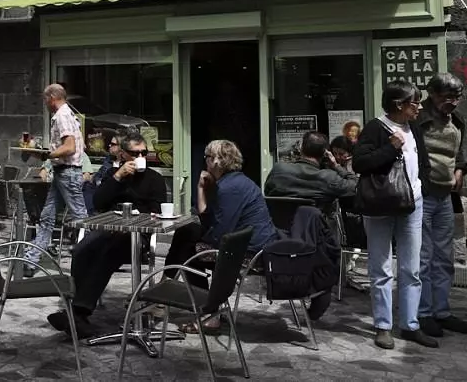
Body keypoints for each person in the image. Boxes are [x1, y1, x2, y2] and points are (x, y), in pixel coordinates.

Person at [45, 133, 165, 336]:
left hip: (136, 236)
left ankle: (78, 311)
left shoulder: (155, 179)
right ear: (123, 154)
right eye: (135, 153)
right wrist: (118, 177)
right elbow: (98, 202)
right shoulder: (113, 175)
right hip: (107, 230)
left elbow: (157, 211)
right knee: (81, 249)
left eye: (144, 153)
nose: (140, 157)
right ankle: (77, 310)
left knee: (109, 252)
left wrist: (133, 214)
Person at [354, 80, 435, 350]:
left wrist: (424, 185)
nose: (420, 107)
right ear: (399, 104)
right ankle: (383, 326)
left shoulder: (414, 128)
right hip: (381, 206)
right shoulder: (375, 128)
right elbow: (360, 163)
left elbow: (422, 162)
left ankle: (410, 325)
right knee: (381, 268)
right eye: (415, 102)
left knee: (412, 268)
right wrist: (390, 148)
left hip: (413, 204)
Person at [164, 139, 278, 332]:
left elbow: (218, 234)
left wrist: (199, 236)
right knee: (187, 234)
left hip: (250, 253)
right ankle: (176, 290)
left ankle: (208, 312)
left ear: (216, 161)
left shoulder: (229, 188)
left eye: (207, 157)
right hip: (252, 246)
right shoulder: (233, 182)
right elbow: (207, 218)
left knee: (188, 252)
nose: (205, 161)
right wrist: (202, 189)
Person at [415, 73, 467, 338]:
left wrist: (460, 169)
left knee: (444, 256)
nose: (452, 102)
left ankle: (442, 311)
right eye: (447, 97)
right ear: (432, 94)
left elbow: (458, 153)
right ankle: (424, 312)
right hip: (423, 195)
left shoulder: (457, 120)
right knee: (424, 257)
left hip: (445, 196)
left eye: (457, 97)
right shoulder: (417, 118)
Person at [23, 84, 89, 277]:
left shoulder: (62, 115)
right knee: (47, 217)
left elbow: (70, 147)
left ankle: (94, 257)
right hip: (62, 172)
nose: (44, 103)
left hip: (68, 172)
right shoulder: (68, 114)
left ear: (51, 98)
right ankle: (31, 260)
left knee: (81, 219)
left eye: (45, 99)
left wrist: (47, 154)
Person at [264, 131, 358, 204]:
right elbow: (356, 186)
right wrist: (336, 166)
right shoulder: (328, 177)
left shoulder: (279, 170)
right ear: (325, 153)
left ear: (301, 149)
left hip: (281, 222)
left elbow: (268, 193)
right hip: (315, 222)